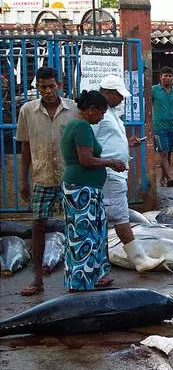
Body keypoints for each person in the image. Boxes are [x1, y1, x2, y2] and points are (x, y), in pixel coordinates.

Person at [93, 75, 165, 274]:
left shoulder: (111, 112)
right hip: (109, 172)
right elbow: (92, 142)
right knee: (120, 217)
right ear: (107, 92)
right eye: (118, 95)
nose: (121, 99)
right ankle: (139, 259)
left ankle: (103, 261)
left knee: (112, 216)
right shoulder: (98, 114)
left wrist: (128, 144)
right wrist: (109, 161)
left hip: (115, 171)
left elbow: (109, 140)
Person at [16, 66, 78, 296]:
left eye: (51, 86)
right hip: (41, 177)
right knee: (38, 225)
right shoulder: (27, 111)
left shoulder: (74, 109)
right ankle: (37, 279)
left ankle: (76, 275)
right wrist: (23, 180)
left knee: (74, 226)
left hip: (70, 177)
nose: (48, 91)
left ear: (59, 85)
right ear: (37, 87)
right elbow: (25, 146)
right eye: (43, 87)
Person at [59, 91, 127, 292]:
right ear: (91, 110)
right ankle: (80, 282)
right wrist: (111, 162)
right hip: (82, 189)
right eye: (101, 113)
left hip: (84, 187)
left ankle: (88, 278)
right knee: (84, 236)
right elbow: (86, 160)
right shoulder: (81, 127)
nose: (102, 117)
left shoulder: (77, 124)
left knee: (88, 234)